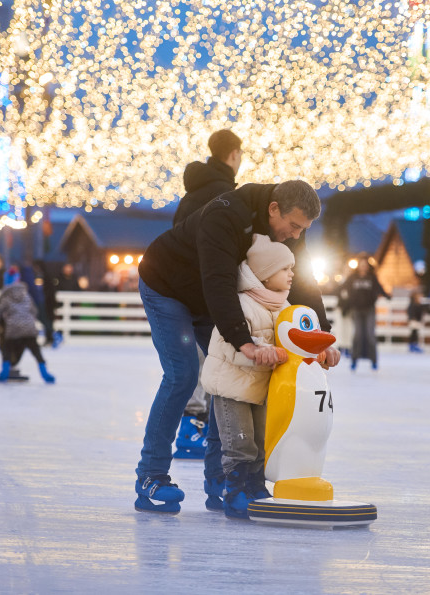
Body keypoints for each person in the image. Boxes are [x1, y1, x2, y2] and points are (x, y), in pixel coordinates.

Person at [133, 180, 337, 514]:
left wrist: (321, 335)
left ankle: (221, 478)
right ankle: (151, 476)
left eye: (303, 229)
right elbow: (218, 281)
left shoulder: (289, 225)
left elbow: (302, 279)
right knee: (183, 375)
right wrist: (243, 341)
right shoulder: (225, 215)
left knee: (231, 377)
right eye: (294, 226)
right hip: (168, 287)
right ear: (274, 209)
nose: (296, 235)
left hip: (212, 299)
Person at [200, 234, 293, 518]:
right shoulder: (240, 304)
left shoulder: (284, 307)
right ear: (265, 274)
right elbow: (229, 345)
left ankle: (255, 487)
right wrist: (260, 350)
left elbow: (297, 339)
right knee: (240, 443)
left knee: (261, 442)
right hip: (232, 388)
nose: (291, 275)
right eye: (285, 269)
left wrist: (321, 350)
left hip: (260, 389)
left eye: (292, 269)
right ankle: (234, 492)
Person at [171, 130, 243, 459]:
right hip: (206, 290)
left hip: (183, 288)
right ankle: (197, 431)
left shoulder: (192, 195)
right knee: (212, 359)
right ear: (234, 154)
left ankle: (195, 428)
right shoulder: (225, 196)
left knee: (196, 360)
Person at [0, 266, 55, 384]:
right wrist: (28, 320)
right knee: (36, 351)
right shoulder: (26, 294)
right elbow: (34, 310)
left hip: (13, 328)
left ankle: (4, 372)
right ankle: (45, 373)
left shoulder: (6, 295)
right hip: (29, 327)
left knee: (7, 347)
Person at [344, 256, 390, 371]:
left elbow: (379, 288)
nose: (363, 267)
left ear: (368, 266)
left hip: (369, 309)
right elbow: (344, 287)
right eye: (361, 264)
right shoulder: (353, 278)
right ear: (358, 266)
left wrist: (387, 295)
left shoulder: (372, 277)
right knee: (357, 335)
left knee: (370, 334)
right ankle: (354, 360)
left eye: (365, 265)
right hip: (356, 309)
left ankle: (374, 361)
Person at [407, 288, 425, 353]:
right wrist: (412, 317)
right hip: (414, 320)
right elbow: (410, 311)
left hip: (417, 320)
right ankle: (413, 345)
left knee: (415, 333)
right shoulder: (413, 304)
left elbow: (422, 309)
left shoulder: (418, 304)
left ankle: (414, 345)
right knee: (414, 333)